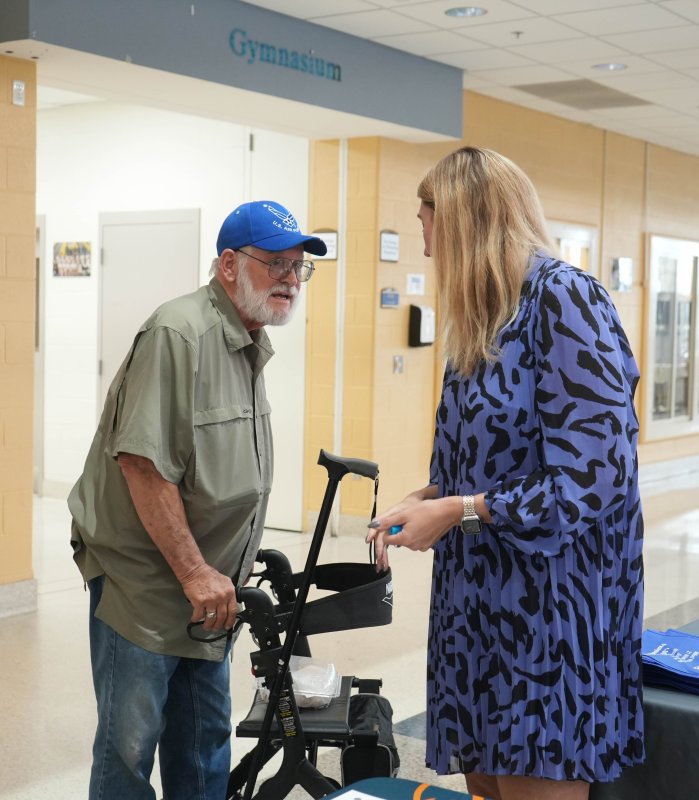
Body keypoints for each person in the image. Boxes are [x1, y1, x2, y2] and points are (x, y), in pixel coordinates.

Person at [366, 147, 644, 800]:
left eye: (426, 218)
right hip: (476, 607)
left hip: (543, 616)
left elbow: (592, 478)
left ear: (464, 218)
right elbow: (483, 462)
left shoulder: (565, 299)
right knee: (486, 784)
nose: (425, 243)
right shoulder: (485, 316)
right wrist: (428, 496)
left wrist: (462, 511)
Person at [68, 200, 326, 800]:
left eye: (299, 267)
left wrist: (215, 574)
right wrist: (193, 572)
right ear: (230, 264)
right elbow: (142, 464)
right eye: (276, 264)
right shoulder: (179, 333)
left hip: (211, 589)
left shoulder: (248, 337)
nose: (291, 278)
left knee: (204, 738)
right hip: (146, 583)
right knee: (129, 748)